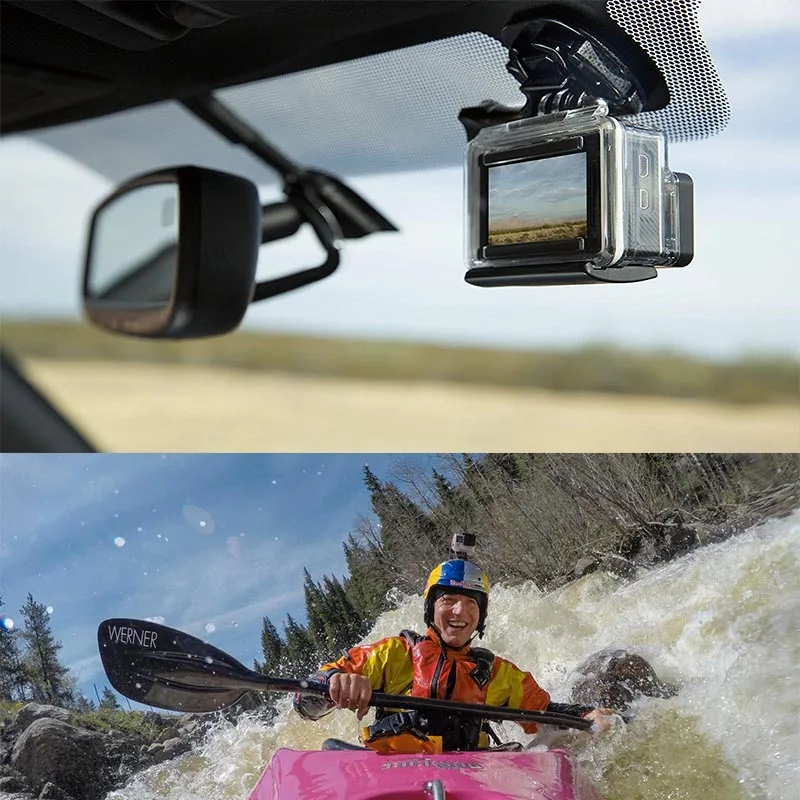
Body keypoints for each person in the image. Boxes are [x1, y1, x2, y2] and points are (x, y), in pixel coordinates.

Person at [294, 558, 615, 753]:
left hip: (470, 774)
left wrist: (586, 715)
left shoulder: (496, 673)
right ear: (431, 609)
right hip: (392, 770)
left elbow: (544, 712)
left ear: (480, 617)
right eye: (448, 600)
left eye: (471, 603)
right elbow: (305, 702)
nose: (459, 611)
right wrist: (335, 683)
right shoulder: (393, 654)